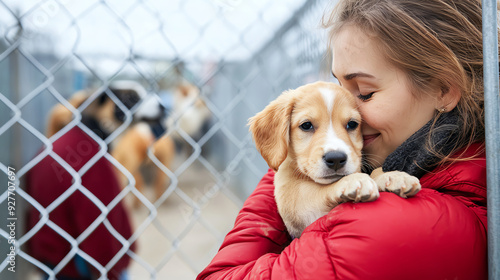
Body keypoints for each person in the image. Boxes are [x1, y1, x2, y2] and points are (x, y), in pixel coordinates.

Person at [197, 0, 493, 279]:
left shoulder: (403, 228)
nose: (348, 109)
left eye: (363, 92)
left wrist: (289, 169)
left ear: (443, 90)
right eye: (339, 85)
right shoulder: (448, 169)